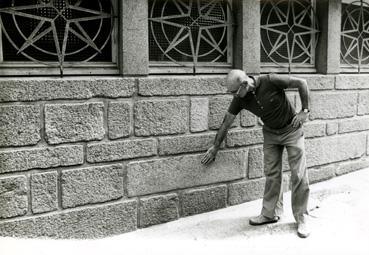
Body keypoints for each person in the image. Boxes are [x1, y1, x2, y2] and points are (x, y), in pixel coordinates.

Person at [201, 69, 311, 238]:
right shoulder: (240, 98)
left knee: (299, 174)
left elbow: (301, 83)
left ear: (244, 84)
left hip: (292, 131)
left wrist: (304, 111)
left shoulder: (271, 80)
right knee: (272, 174)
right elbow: (226, 122)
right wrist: (215, 147)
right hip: (271, 133)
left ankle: (301, 218)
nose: (233, 95)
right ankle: (270, 214)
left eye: (233, 91)